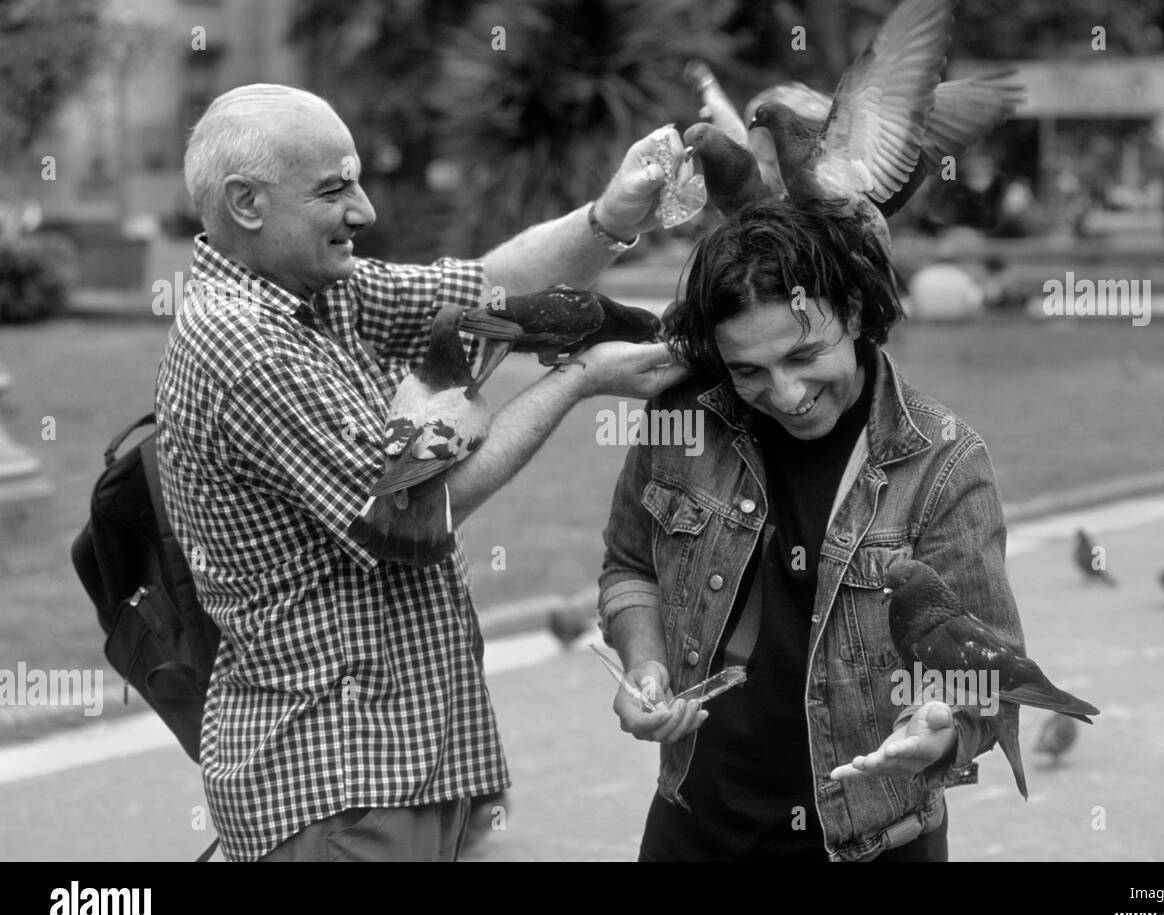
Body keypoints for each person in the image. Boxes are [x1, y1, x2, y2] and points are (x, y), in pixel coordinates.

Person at [154, 83, 688, 862]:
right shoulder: (245, 346)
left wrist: (610, 216)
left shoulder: (317, 292)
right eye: (335, 189)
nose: (364, 210)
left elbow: (485, 287)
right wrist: (576, 380)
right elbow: (414, 516)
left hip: (402, 769)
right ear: (246, 203)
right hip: (335, 781)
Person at [598, 199, 1026, 861]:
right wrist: (645, 668)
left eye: (804, 354)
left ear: (854, 312)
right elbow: (630, 566)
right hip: (693, 832)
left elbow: (984, 677)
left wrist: (938, 727)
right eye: (748, 370)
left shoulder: (945, 463)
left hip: (874, 846)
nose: (788, 392)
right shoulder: (681, 421)